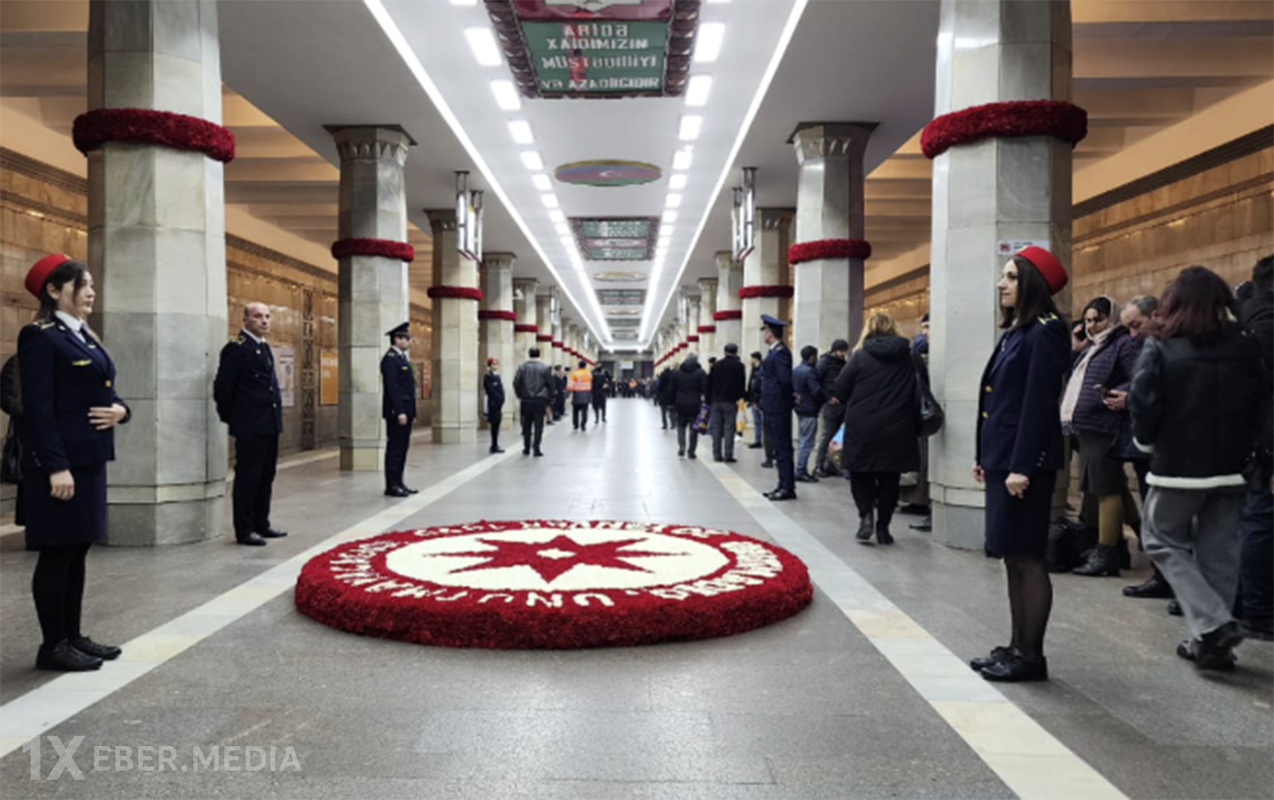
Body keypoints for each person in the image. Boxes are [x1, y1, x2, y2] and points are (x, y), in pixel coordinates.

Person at [1131, 266, 1263, 671]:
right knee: (1219, 553)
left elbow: (1144, 403)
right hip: (1232, 466)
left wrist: (1147, 442)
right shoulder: (1246, 345)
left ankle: (1213, 624)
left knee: (1159, 538)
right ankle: (1213, 647)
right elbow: (1261, 402)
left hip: (1179, 468)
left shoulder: (1163, 347)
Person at [20, 254, 130, 671]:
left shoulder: (83, 335)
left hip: (89, 459)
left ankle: (73, 635)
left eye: (91, 285)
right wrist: (55, 466)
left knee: (78, 549)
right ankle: (52, 645)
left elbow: (105, 391)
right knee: (57, 553)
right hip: (62, 465)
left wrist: (122, 411)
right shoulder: (40, 336)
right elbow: (39, 409)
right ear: (53, 290)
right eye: (81, 284)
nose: (90, 292)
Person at [970, 247, 1070, 683]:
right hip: (1004, 459)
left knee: (1028, 557)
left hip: (1023, 465)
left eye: (1010, 276)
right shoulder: (1019, 331)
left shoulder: (1046, 332)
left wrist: (1022, 466)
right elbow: (997, 401)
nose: (1001, 284)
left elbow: (1037, 404)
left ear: (1031, 283)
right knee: (1012, 555)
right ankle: (1016, 646)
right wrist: (985, 456)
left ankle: (1031, 656)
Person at [1060, 298, 1143, 577]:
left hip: (1104, 424)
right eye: (1088, 320)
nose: (1091, 326)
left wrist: (1118, 394)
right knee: (1101, 485)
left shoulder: (1123, 343)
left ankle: (1107, 551)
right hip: (1087, 426)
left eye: (1098, 320)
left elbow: (1139, 377)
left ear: (1113, 319)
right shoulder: (1095, 347)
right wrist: (1076, 349)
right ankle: (1112, 545)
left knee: (1106, 487)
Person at [833, 314, 920, 544]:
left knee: (860, 473)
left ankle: (866, 516)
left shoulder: (860, 357)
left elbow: (840, 389)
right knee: (890, 478)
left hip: (863, 426)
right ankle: (884, 528)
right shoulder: (909, 355)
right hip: (898, 425)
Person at [214, 302, 287, 546]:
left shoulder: (263, 348)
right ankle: (244, 529)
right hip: (250, 426)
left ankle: (261, 523)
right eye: (257, 316)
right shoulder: (237, 349)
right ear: (245, 320)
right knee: (248, 478)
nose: (264, 321)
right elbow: (223, 389)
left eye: (267, 316)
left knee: (266, 476)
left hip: (269, 424)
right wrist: (234, 420)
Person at [1114, 296, 1172, 599]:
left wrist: (1131, 399)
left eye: (1137, 325)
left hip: (1167, 448)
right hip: (1144, 444)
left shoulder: (1172, 347)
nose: (1133, 334)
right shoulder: (1143, 346)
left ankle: (1177, 584)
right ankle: (1162, 576)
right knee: (1153, 516)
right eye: (1128, 329)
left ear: (1157, 315)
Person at [1238, 255, 1274, 639]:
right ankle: (1258, 610)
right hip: (1264, 437)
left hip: (1251, 436)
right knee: (1261, 518)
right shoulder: (1266, 322)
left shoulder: (1248, 316)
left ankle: (1246, 603)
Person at [760, 316, 796, 500]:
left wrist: (786, 399)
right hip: (774, 405)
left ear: (770, 332)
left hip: (778, 406)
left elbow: (785, 380)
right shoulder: (774, 352)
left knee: (782, 447)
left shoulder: (780, 353)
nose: (763, 334)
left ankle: (787, 487)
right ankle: (782, 484)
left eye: (765, 330)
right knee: (779, 447)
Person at [380, 322, 417, 498]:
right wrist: (400, 411)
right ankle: (391, 484)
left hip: (406, 411)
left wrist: (412, 412)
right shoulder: (390, 360)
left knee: (402, 448)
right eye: (406, 338)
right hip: (397, 412)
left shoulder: (401, 359)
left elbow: (409, 388)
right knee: (395, 448)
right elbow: (392, 388)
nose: (408, 341)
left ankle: (399, 481)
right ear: (397, 339)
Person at [0, 353, 29, 547]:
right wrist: (24, 410)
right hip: (25, 433)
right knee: (28, 483)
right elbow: (4, 395)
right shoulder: (17, 361)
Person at [812, 339, 850, 478]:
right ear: (834, 350)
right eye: (841, 350)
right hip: (831, 404)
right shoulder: (824, 363)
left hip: (842, 403)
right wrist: (827, 397)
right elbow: (816, 382)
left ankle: (833, 465)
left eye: (844, 351)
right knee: (827, 436)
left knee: (838, 438)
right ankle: (818, 466)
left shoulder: (843, 363)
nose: (842, 353)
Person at [708, 344, 747, 463]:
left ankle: (716, 454)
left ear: (724, 352)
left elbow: (709, 383)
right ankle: (728, 455)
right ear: (736, 352)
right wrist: (741, 397)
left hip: (716, 401)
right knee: (729, 428)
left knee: (716, 428)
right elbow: (741, 383)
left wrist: (710, 400)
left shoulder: (716, 366)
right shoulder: (739, 366)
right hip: (730, 401)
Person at [792, 345, 824, 483]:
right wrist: (826, 399)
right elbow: (815, 391)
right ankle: (801, 470)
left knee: (802, 439)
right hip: (809, 409)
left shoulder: (797, 370)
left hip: (800, 408)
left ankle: (800, 468)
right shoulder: (810, 372)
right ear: (811, 356)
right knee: (807, 441)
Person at [513, 348, 553, 457]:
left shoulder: (522, 367)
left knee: (526, 425)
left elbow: (516, 383)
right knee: (538, 425)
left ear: (529, 354)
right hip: (540, 401)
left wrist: (520, 395)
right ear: (539, 354)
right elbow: (550, 385)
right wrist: (548, 399)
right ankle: (537, 448)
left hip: (526, 400)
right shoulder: (545, 368)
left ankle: (526, 448)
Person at [670, 354, 708, 459]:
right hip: (695, 402)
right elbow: (705, 388)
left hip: (680, 402)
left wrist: (672, 403)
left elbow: (672, 389)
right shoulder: (701, 373)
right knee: (694, 428)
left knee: (681, 426)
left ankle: (681, 446)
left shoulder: (677, 373)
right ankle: (691, 451)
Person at [483, 357, 505, 454]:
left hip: (498, 404)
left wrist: (501, 399)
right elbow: (491, 390)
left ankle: (496, 444)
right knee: (494, 425)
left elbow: (500, 389)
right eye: (493, 364)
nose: (495, 366)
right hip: (493, 404)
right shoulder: (488, 377)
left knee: (497, 424)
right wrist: (498, 398)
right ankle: (493, 445)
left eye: (496, 364)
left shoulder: (497, 376)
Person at [746, 351, 766, 453]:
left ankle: (764, 441)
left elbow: (758, 386)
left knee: (763, 422)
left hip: (760, 400)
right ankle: (758, 440)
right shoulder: (754, 369)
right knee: (757, 422)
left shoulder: (761, 370)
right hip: (754, 399)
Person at [568, 360, 593, 431]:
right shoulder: (589, 374)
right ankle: (583, 424)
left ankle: (576, 425)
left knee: (575, 411)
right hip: (586, 395)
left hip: (577, 395)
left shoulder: (575, 373)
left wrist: (567, 394)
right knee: (584, 412)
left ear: (578, 365)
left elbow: (571, 385)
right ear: (585, 366)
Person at [657, 361, 678, 430]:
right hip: (671, 395)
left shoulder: (662, 375)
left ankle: (665, 425)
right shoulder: (673, 374)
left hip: (663, 396)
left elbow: (660, 386)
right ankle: (673, 424)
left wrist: (658, 393)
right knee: (672, 411)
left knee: (663, 412)